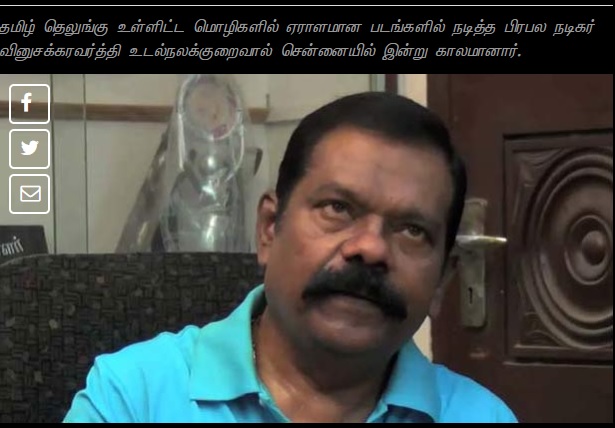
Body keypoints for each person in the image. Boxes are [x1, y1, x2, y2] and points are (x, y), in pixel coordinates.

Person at [63, 92, 517, 423]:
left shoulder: (481, 417)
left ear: (442, 280)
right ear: (268, 229)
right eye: (338, 208)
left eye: (412, 230)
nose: (371, 248)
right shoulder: (134, 397)